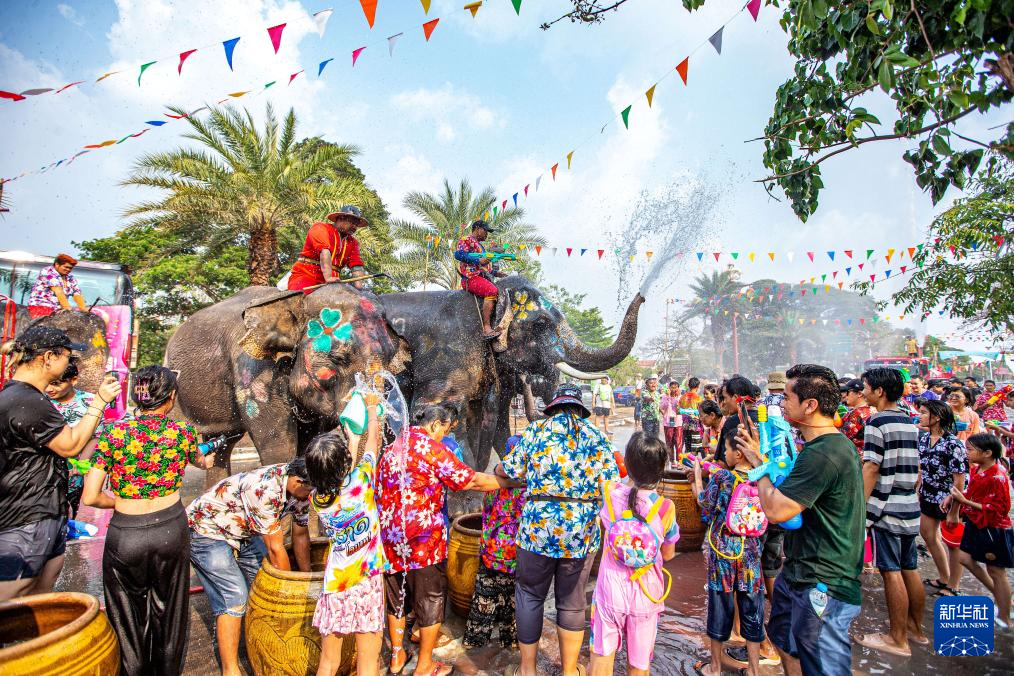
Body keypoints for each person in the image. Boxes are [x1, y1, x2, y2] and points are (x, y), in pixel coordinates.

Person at [82, 366, 213, 676]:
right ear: (170, 398)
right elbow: (201, 461)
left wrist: (125, 503)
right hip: (170, 528)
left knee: (127, 618)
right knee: (170, 613)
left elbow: (90, 497)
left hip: (126, 535)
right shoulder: (181, 432)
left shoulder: (114, 433)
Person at [735, 364, 863, 676]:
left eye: (788, 397)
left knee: (822, 661)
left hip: (824, 579)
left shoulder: (825, 453)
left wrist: (758, 469)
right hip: (799, 570)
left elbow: (778, 511)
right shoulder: (816, 448)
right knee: (786, 640)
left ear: (810, 405)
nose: (781, 403)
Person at [378, 404, 507, 676]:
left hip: (390, 540)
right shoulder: (430, 448)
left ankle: (397, 657)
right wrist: (512, 483)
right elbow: (471, 481)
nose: (444, 436)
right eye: (445, 429)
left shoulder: (392, 448)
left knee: (397, 598)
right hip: (423, 541)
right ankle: (425, 665)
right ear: (436, 425)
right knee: (431, 601)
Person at [501, 384, 619, 676]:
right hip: (580, 532)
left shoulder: (536, 431)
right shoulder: (597, 436)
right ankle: (569, 671)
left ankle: (527, 670)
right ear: (580, 409)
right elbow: (613, 484)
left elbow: (507, 470)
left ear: (553, 407)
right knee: (572, 602)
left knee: (529, 594)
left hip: (537, 530)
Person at [0, 327, 120, 601]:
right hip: (26, 517)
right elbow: (70, 445)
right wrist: (100, 401)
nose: (69, 362)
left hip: (48, 513)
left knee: (39, 600)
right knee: (12, 596)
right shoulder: (26, 401)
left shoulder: (29, 398)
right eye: (67, 355)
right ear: (48, 358)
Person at [187, 458, 313, 676]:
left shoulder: (304, 489)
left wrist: (308, 581)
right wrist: (291, 593)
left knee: (262, 582)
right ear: (297, 481)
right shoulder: (264, 489)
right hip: (207, 530)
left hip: (243, 530)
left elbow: (301, 534)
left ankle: (259, 639)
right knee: (234, 597)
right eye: (311, 489)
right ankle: (230, 669)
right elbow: (276, 549)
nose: (313, 494)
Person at [305, 392, 384, 676]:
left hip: (336, 584)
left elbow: (339, 479)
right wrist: (373, 410)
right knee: (368, 661)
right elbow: (373, 445)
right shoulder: (362, 482)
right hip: (366, 582)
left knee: (329, 662)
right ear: (346, 463)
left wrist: (350, 440)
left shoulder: (318, 499)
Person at [590, 432, 678, 676]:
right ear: (662, 470)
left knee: (601, 656)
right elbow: (668, 554)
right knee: (639, 664)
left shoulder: (609, 494)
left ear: (627, 465)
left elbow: (617, 483)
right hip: (646, 594)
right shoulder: (665, 508)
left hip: (610, 591)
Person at [857, 367, 927, 657]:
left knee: (891, 571)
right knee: (910, 568)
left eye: (866, 387)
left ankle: (897, 638)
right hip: (910, 505)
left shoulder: (877, 421)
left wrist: (860, 506)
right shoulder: (909, 421)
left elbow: (871, 466)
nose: (863, 392)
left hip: (887, 508)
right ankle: (915, 630)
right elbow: (917, 469)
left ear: (879, 391)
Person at [693, 433, 765, 676]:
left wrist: (696, 478)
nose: (723, 454)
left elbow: (705, 503)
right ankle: (754, 669)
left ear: (739, 453)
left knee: (720, 606)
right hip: (751, 553)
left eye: (726, 449)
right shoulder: (763, 478)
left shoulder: (723, 477)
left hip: (723, 552)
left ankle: (714, 667)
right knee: (753, 608)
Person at [464, 436, 526, 650]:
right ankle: (511, 642)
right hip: (513, 556)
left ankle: (475, 640)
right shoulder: (526, 489)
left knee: (484, 597)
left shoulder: (492, 483)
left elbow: (487, 514)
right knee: (513, 601)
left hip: (490, 551)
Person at [948, 433, 1014, 628]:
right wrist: (955, 498)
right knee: (964, 558)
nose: (966, 453)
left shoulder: (997, 476)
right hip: (977, 523)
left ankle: (1005, 617)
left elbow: (998, 509)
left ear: (987, 453)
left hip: (993, 529)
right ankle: (999, 596)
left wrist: (963, 501)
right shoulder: (979, 470)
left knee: (996, 570)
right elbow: (974, 494)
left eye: (970, 450)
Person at [916, 400, 966, 597]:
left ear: (936, 417)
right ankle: (944, 577)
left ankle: (954, 585)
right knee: (928, 535)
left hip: (948, 499)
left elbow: (959, 480)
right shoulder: (924, 439)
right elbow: (922, 468)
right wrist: (919, 489)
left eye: (923, 413)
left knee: (953, 544)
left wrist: (954, 510)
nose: (920, 416)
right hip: (928, 495)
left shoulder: (953, 443)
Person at [45, 360, 101, 519]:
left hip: (74, 474)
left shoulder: (91, 402)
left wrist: (82, 462)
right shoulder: (42, 401)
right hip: (44, 473)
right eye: (48, 383)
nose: (50, 389)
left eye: (56, 384)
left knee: (68, 517)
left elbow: (96, 435)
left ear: (74, 379)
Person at [287, 205, 370, 292]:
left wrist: (359, 288)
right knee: (303, 297)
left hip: (333, 283)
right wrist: (328, 277)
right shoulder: (321, 228)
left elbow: (356, 266)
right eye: (352, 223)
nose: (355, 227)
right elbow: (325, 252)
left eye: (357, 224)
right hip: (306, 276)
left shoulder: (353, 242)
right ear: (340, 219)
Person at [454, 219, 504, 339]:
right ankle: (486, 328)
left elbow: (484, 267)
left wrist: (496, 273)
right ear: (477, 229)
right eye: (485, 230)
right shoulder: (466, 240)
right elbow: (458, 254)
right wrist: (478, 260)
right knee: (492, 291)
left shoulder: (480, 246)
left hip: (480, 276)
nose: (487, 234)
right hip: (470, 278)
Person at [26, 253, 88, 318]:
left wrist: (84, 309)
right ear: (57, 264)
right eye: (66, 267)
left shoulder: (70, 277)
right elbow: (58, 291)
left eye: (70, 268)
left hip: (58, 310)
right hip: (41, 307)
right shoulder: (48, 272)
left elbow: (77, 294)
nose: (68, 270)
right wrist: (67, 308)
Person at [715, 376, 758, 468]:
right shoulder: (768, 418)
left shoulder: (731, 422)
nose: (724, 402)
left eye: (725, 398)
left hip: (742, 481)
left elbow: (723, 464)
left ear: (735, 398)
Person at [840, 378, 873, 455]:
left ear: (859, 394)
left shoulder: (857, 414)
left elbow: (842, 437)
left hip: (856, 458)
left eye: (848, 392)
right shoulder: (872, 410)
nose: (844, 395)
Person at [660, 380, 682, 463]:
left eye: (676, 387)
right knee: (669, 442)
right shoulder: (665, 397)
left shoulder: (680, 397)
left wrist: (678, 398)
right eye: (672, 388)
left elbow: (679, 410)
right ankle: (672, 460)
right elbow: (663, 407)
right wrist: (668, 397)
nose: (674, 389)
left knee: (678, 442)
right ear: (669, 388)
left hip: (678, 422)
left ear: (678, 388)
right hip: (668, 422)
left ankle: (679, 460)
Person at [639, 375, 662, 440]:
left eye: (654, 383)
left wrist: (663, 412)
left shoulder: (657, 394)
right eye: (651, 383)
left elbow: (657, 405)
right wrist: (650, 398)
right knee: (648, 438)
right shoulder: (644, 392)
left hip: (656, 419)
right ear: (646, 385)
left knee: (656, 438)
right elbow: (647, 398)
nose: (653, 385)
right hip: (647, 419)